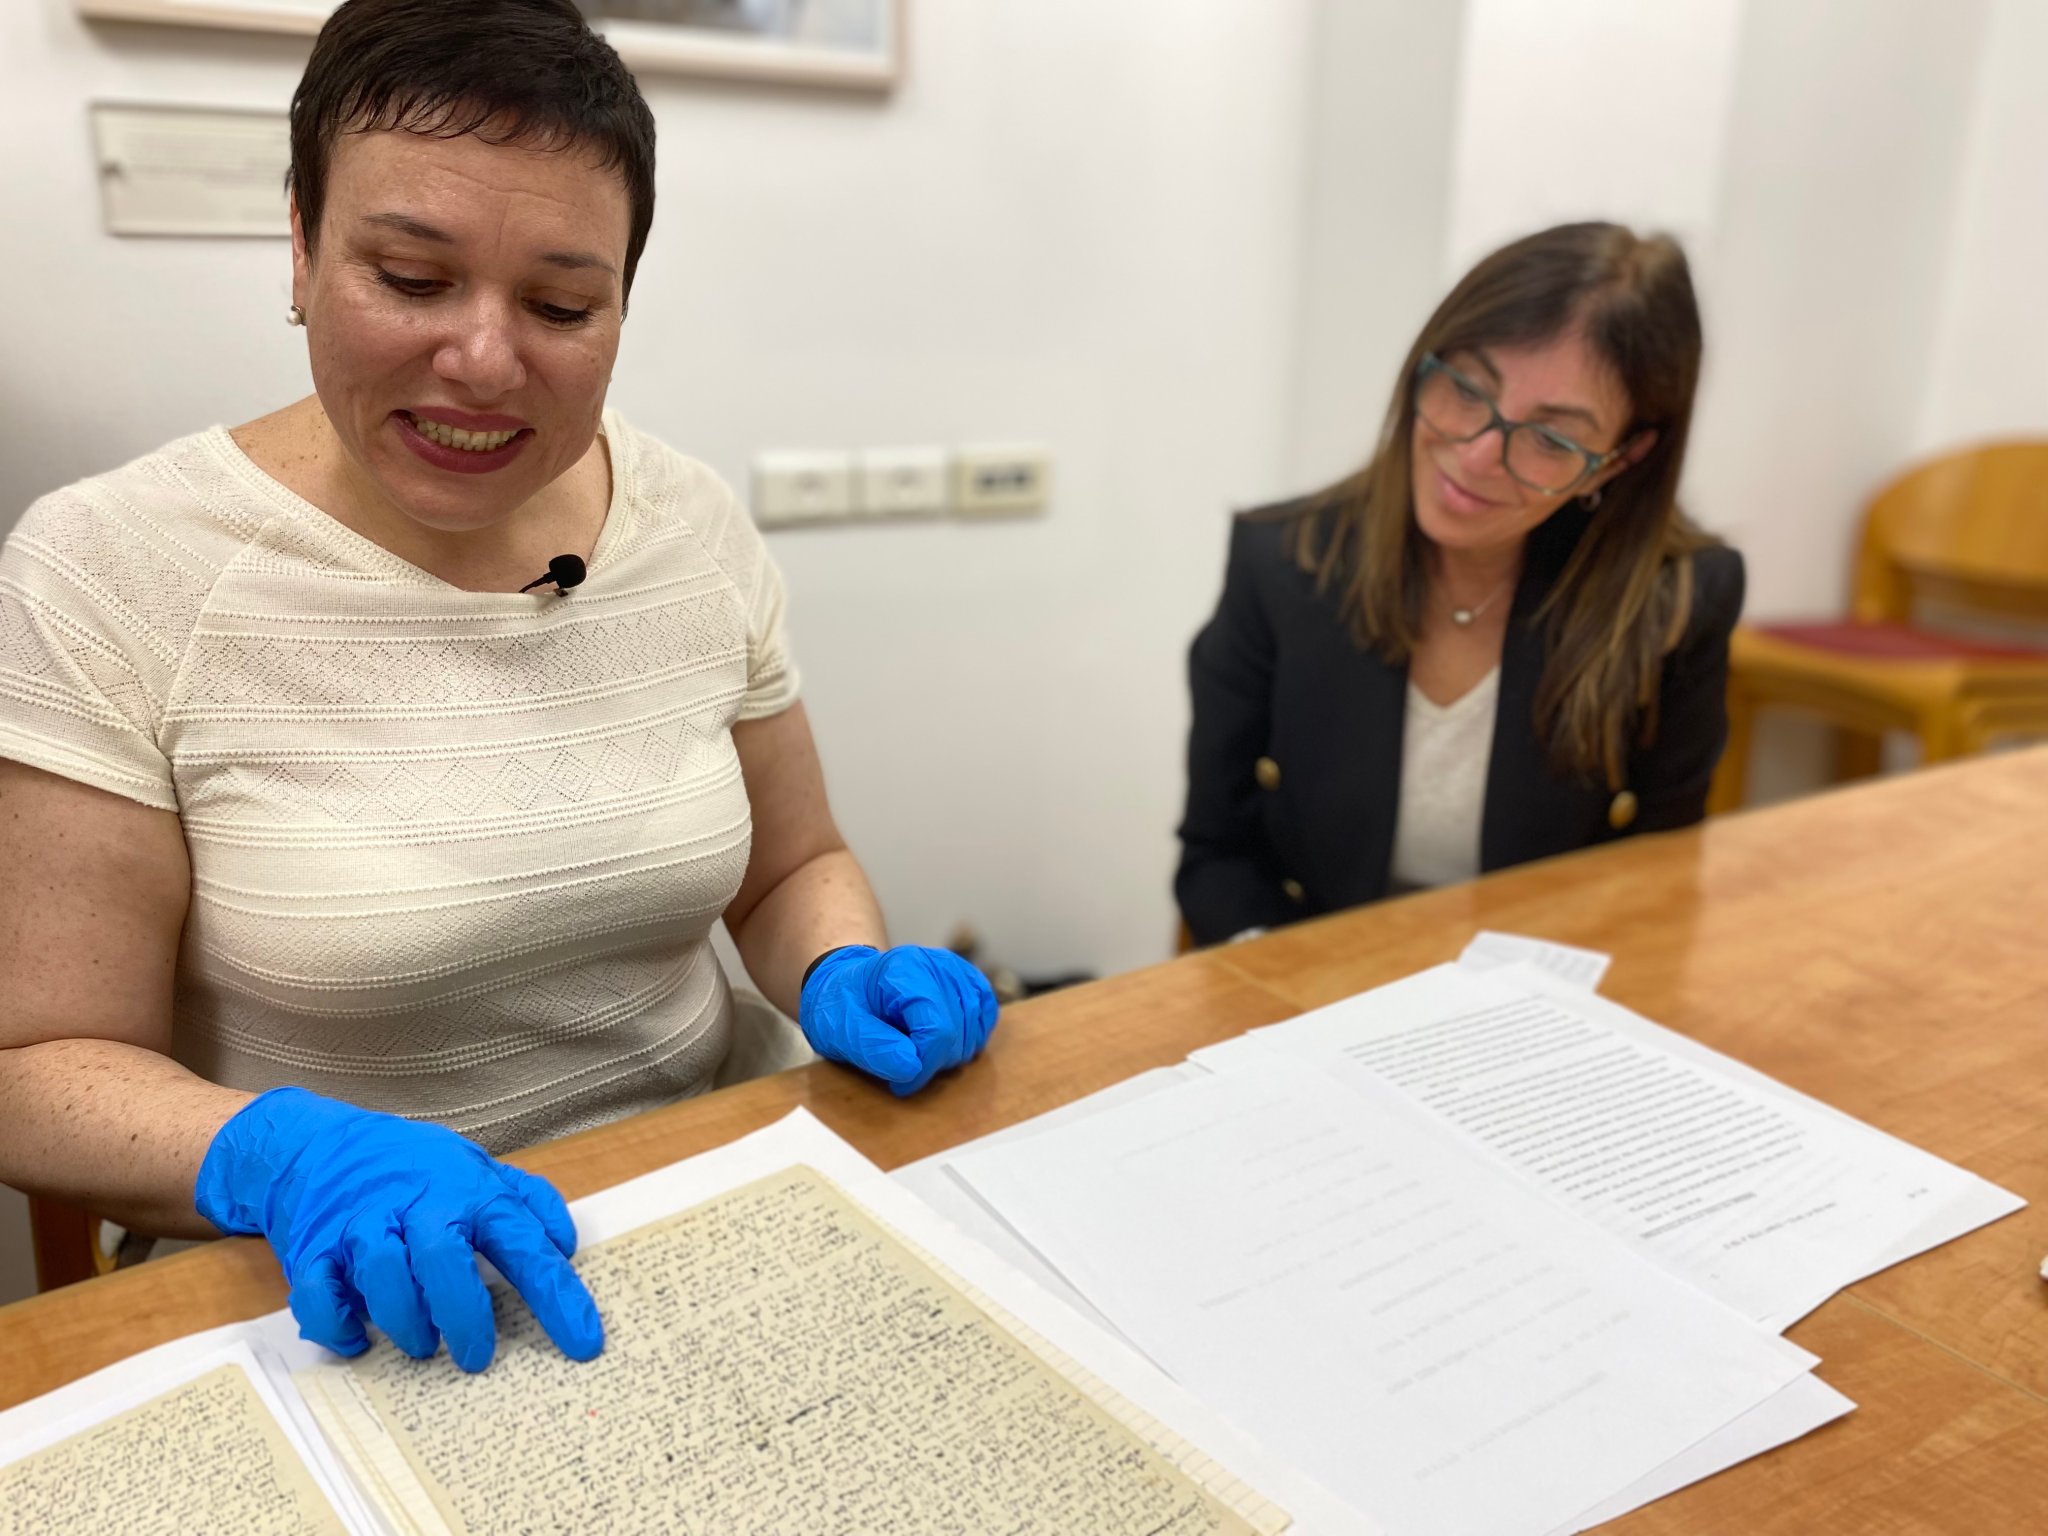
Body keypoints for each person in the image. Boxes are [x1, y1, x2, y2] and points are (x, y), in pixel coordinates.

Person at [0, 0, 996, 1374]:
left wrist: (840, 962)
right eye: (411, 280)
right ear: (298, 245)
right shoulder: (114, 569)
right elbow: (36, 1062)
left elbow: (789, 866)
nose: (483, 358)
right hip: (333, 1291)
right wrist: (279, 1156)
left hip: (709, 1196)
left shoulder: (691, 526)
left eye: (561, 305)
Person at [1176, 222, 1743, 947]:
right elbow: (1215, 853)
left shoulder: (1680, 599)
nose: (1476, 456)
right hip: (1314, 981)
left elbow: (1657, 876)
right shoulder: (1284, 560)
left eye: (1550, 438)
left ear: (1619, 460)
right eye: (1467, 388)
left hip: (1531, 1001)